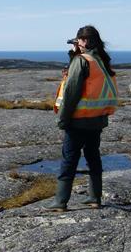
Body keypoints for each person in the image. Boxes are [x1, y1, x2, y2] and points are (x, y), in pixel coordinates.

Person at [45, 25, 118, 211]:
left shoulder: (82, 60)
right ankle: (95, 198)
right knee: (93, 157)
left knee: (69, 158)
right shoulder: (101, 60)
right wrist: (73, 57)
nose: (76, 43)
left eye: (78, 40)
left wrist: (62, 118)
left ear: (83, 41)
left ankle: (60, 201)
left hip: (78, 120)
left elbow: (71, 92)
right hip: (97, 119)